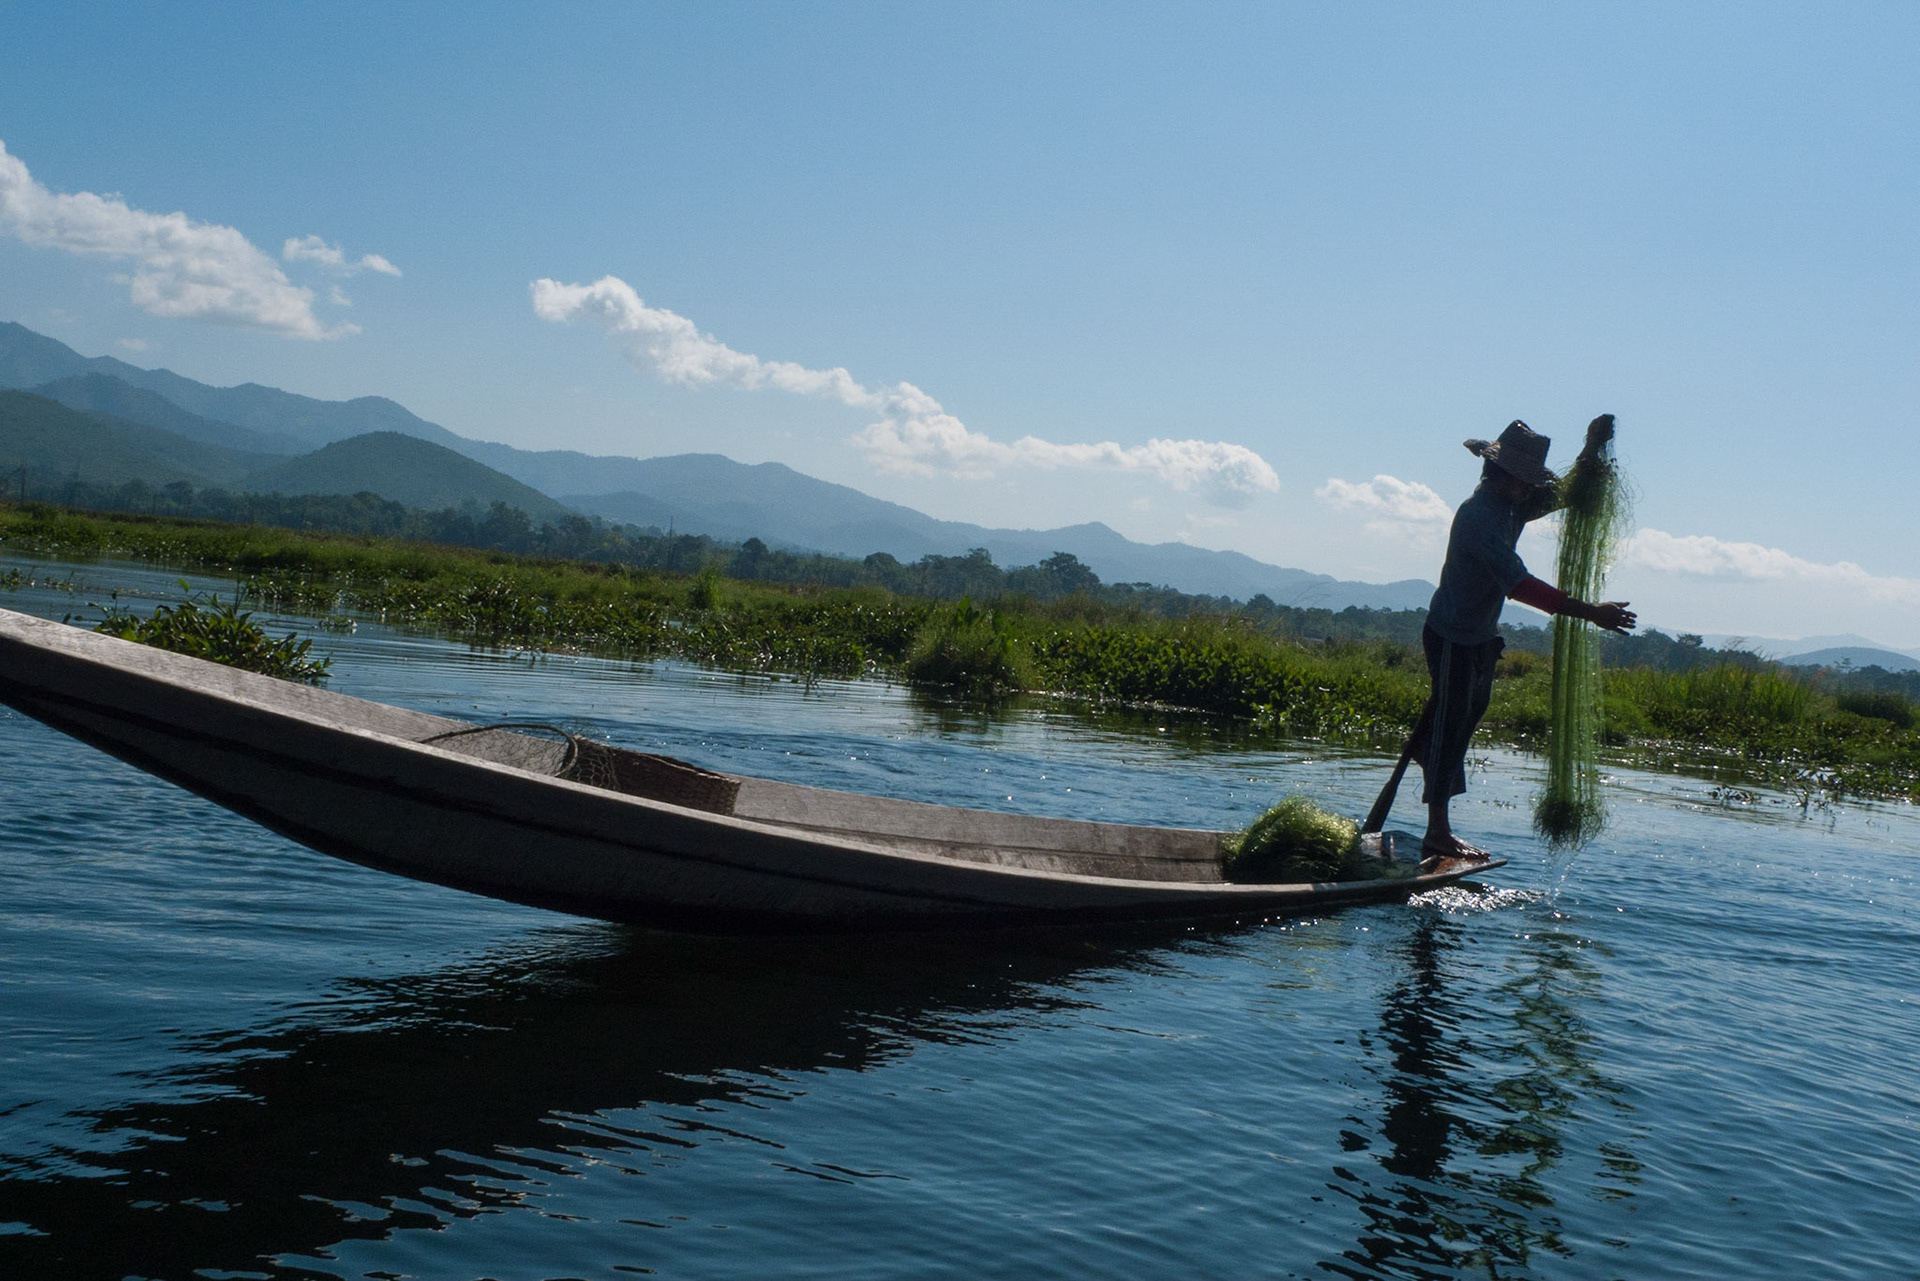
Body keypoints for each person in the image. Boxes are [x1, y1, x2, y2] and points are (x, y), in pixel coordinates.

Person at [1369, 415, 1637, 865]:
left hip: (1481, 637)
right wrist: (1593, 613)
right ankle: (1437, 831)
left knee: (1463, 721)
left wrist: (1592, 447)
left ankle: (1426, 752)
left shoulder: (1514, 504)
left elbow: (1567, 494)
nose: (1533, 489)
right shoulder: (1478, 518)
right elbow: (1521, 586)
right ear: (1503, 476)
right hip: (1451, 634)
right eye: (1527, 481)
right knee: (1451, 728)